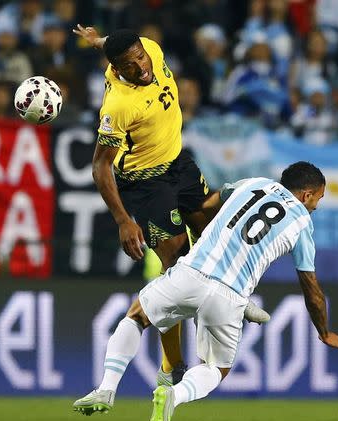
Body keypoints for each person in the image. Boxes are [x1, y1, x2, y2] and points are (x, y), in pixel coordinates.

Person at [73, 161, 338, 421]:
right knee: (217, 368)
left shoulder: (251, 183)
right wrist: (324, 331)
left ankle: (106, 388)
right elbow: (311, 288)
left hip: (191, 273)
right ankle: (174, 396)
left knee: (136, 316)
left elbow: (206, 204)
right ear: (306, 195)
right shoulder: (302, 222)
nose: (317, 205)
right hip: (231, 296)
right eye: (319, 198)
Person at [72, 24, 269, 385]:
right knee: (177, 265)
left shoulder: (148, 46)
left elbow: (117, 45)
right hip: (146, 183)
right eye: (130, 65)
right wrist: (122, 220)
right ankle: (172, 367)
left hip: (178, 162)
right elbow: (100, 167)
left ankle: (236, 305)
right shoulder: (118, 105)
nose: (141, 67)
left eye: (140, 58)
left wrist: (97, 39)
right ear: (117, 70)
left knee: (219, 239)